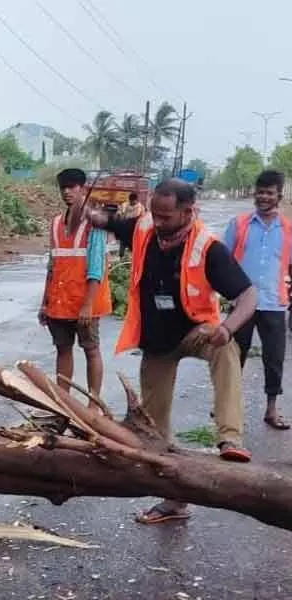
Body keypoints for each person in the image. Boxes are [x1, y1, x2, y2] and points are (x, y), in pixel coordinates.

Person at [86, 178, 257, 525]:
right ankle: (173, 500)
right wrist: (92, 215)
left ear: (187, 210)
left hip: (197, 332)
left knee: (227, 352)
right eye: (155, 215)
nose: (158, 222)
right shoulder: (145, 227)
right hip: (156, 343)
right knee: (154, 427)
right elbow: (114, 223)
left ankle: (229, 438)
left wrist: (226, 328)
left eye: (166, 216)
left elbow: (249, 296)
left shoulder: (208, 248)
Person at [222, 169, 292, 430]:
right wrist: (224, 293)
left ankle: (272, 409)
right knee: (232, 356)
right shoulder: (238, 224)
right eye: (260, 192)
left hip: (274, 303)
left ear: (278, 195)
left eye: (269, 193)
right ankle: (226, 407)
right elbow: (222, 261)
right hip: (241, 304)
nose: (263, 197)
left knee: (273, 358)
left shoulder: (288, 229)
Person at [39, 168, 111, 397]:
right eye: (64, 188)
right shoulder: (56, 224)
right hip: (59, 303)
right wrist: (45, 302)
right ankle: (63, 401)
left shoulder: (94, 224)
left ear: (82, 189)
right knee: (63, 350)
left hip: (84, 303)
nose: (67, 192)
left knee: (91, 350)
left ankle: (93, 402)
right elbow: (52, 266)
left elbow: (96, 269)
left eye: (72, 187)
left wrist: (88, 305)